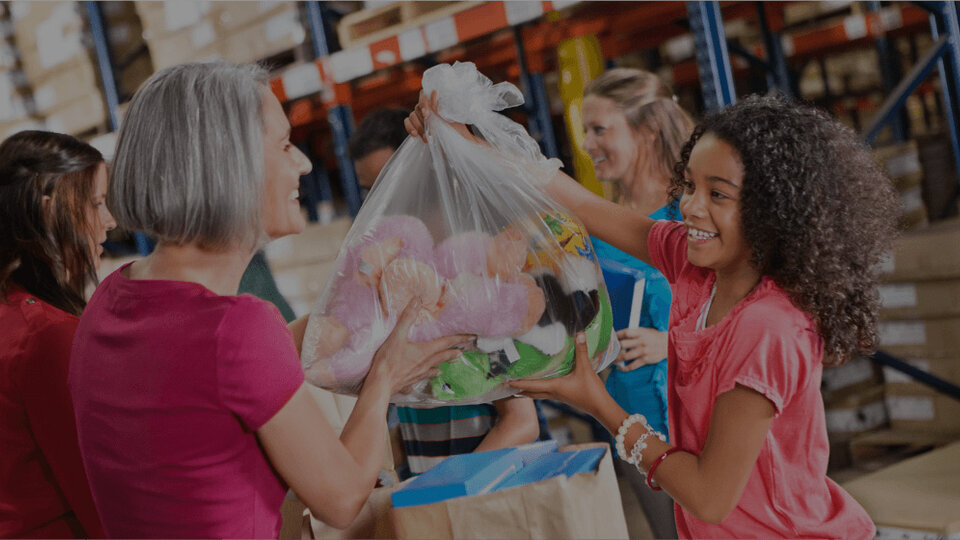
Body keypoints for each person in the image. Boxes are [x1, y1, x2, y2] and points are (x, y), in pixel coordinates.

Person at [409, 94, 897, 538]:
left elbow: (709, 497)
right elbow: (577, 201)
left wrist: (599, 405)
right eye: (689, 186)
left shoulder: (765, 328)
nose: (689, 206)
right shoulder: (694, 265)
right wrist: (469, 145)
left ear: (773, 211)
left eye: (717, 195)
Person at [68, 62, 469, 539]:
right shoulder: (235, 327)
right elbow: (341, 499)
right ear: (229, 168)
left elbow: (209, 380)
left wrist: (357, 310)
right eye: (283, 146)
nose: (302, 163)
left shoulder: (111, 300)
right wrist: (385, 375)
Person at [349, 108, 540, 476]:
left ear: (421, 172)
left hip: (486, 489)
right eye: (367, 191)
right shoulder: (396, 278)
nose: (378, 202)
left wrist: (446, 488)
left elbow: (521, 422)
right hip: (432, 488)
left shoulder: (474, 274)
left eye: (387, 184)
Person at [581, 68, 694, 538]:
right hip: (633, 427)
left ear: (646, 131)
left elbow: (746, 314)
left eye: (599, 129)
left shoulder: (693, 212)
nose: (587, 144)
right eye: (584, 130)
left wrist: (671, 344)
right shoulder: (598, 228)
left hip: (699, 426)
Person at [0, 131, 112, 538]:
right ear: (47, 210)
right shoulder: (48, 337)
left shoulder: (14, 313)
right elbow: (96, 495)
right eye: (96, 204)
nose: (109, 220)